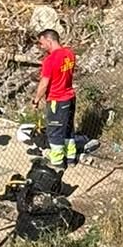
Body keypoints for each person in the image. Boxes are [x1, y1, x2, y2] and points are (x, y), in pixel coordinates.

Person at [33, 29, 77, 170]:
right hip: (70, 97)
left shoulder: (50, 60)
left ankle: (57, 161)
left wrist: (36, 99)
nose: (41, 46)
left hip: (57, 100)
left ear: (49, 40)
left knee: (55, 131)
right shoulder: (69, 54)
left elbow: (44, 83)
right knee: (68, 129)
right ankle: (71, 157)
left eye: (42, 43)